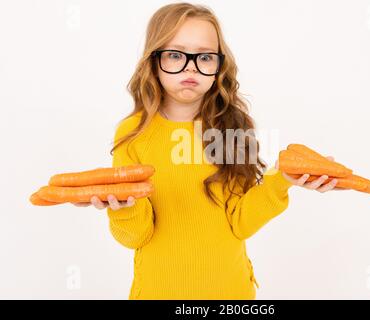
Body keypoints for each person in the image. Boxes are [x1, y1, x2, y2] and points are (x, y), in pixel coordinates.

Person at [73, 2, 339, 300]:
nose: (190, 66)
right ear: (153, 61)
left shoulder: (232, 127)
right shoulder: (134, 134)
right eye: (175, 55)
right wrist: (124, 208)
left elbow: (240, 222)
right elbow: (136, 236)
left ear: (219, 66)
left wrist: (282, 180)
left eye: (205, 56)